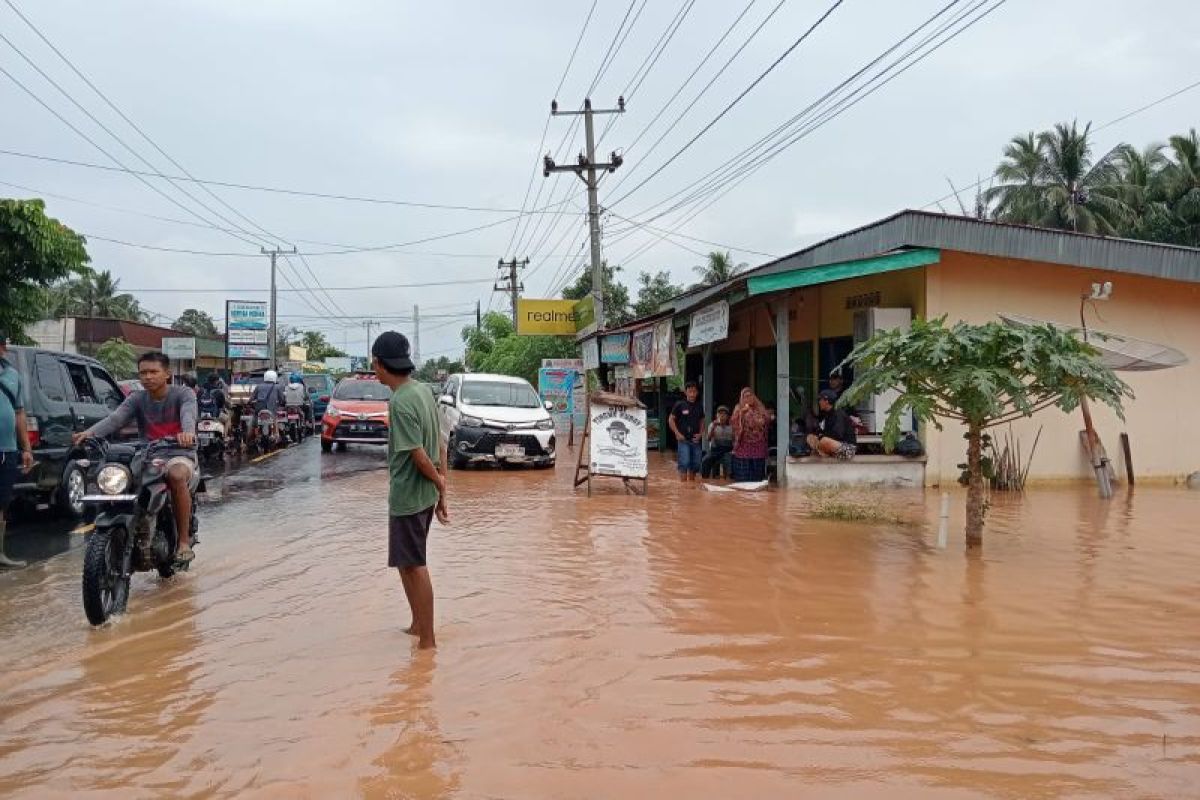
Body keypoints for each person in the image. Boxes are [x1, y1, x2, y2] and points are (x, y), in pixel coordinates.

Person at [72, 351, 199, 564]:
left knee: (176, 476)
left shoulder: (183, 394)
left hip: (179, 452)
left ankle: (183, 543)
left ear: (167, 374)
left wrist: (187, 433)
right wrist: (89, 433)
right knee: (120, 478)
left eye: (153, 372)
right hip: (147, 454)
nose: (148, 377)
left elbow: (189, 414)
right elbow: (115, 419)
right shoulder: (136, 398)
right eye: (143, 373)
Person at [372, 331, 448, 651]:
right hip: (425, 495)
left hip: (410, 495)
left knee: (415, 564)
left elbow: (417, 454)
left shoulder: (401, 402)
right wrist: (441, 487)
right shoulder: (423, 392)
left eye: (373, 363)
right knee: (406, 561)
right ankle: (418, 625)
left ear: (380, 364)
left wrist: (440, 482)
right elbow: (441, 442)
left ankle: (428, 641)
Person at [0, 335, 34, 568]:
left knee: (1, 503)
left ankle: (0, 555)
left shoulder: (13, 375)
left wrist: (26, 449)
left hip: (8, 450)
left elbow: (19, 413)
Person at [731, 387, 770, 482]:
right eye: (745, 396)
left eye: (750, 396)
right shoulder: (738, 408)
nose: (748, 398)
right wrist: (741, 414)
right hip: (744, 445)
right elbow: (733, 422)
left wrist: (754, 417)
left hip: (758, 444)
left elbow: (766, 420)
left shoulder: (760, 408)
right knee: (744, 476)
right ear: (742, 398)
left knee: (757, 475)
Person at [806, 388, 857, 460]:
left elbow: (838, 434)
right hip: (834, 445)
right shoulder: (827, 414)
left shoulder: (838, 414)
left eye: (820, 400)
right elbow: (824, 431)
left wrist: (821, 437)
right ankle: (822, 455)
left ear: (826, 401)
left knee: (824, 441)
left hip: (847, 449)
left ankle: (823, 454)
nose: (819, 402)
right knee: (810, 437)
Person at [668, 381, 704, 482]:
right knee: (684, 462)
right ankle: (684, 487)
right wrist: (677, 433)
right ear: (685, 392)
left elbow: (702, 421)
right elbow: (671, 419)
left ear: (697, 392)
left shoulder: (699, 406)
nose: (692, 394)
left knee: (696, 463)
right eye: (690, 391)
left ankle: (691, 488)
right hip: (683, 439)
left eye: (694, 391)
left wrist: (700, 434)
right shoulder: (680, 404)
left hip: (695, 440)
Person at [249, 370, 283, 443]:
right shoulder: (277, 387)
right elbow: (282, 399)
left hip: (259, 409)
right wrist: (280, 404)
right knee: (275, 419)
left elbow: (251, 398)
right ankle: (276, 434)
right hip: (271, 410)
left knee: (255, 418)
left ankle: (256, 435)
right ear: (274, 378)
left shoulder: (259, 386)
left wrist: (250, 403)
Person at [701, 405, 734, 479]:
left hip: (727, 450)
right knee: (705, 461)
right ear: (716, 415)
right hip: (715, 450)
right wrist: (713, 428)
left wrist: (733, 450)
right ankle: (705, 480)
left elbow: (734, 440)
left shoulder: (732, 426)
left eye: (724, 414)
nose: (722, 416)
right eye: (720, 413)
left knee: (729, 461)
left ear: (728, 416)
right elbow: (708, 439)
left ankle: (729, 479)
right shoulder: (712, 425)